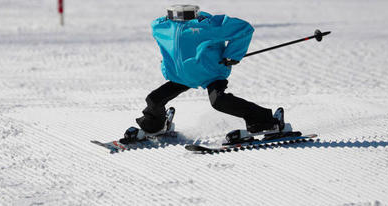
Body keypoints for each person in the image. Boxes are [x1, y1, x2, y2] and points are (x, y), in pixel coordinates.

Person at [122, 5, 284, 143]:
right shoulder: (160, 26)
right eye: (176, 15)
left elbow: (243, 29)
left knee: (219, 101)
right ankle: (155, 126)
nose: (180, 18)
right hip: (181, 76)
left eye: (185, 15)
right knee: (154, 100)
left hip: (210, 73)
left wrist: (232, 55)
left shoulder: (207, 25)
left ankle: (267, 121)